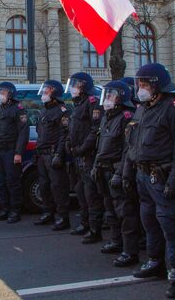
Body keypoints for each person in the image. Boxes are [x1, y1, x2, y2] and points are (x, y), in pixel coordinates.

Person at [122, 63, 175, 299]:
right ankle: (155, 262)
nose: (140, 88)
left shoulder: (174, 109)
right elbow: (132, 144)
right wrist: (127, 172)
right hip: (143, 176)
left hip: (162, 177)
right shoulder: (142, 108)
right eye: (139, 84)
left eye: (144, 84)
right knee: (149, 222)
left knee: (170, 226)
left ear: (156, 85)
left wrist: (174, 183)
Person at [93, 80, 140, 267]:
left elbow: (127, 149)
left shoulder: (126, 117)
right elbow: (101, 145)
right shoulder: (107, 116)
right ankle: (116, 241)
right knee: (110, 209)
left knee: (125, 212)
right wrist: (96, 166)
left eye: (110, 95)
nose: (106, 99)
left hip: (116, 170)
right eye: (106, 95)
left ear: (120, 97)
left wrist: (120, 173)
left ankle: (130, 251)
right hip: (104, 168)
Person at [65, 72, 105, 243]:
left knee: (91, 193)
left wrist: (82, 148)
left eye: (75, 85)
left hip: (87, 155)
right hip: (78, 155)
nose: (72, 88)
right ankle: (85, 223)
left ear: (83, 86)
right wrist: (69, 142)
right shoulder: (78, 104)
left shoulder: (92, 103)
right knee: (81, 191)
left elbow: (95, 129)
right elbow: (73, 129)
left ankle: (95, 229)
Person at [0, 82, 29, 224]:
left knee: (12, 182)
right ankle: (4, 209)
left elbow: (23, 132)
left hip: (11, 151)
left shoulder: (18, 109)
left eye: (3, 92)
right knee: (0, 183)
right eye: (0, 92)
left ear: (10, 94)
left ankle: (15, 211)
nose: (0, 95)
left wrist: (18, 153)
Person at [33, 80, 70, 230]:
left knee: (58, 187)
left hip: (53, 153)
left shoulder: (62, 111)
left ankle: (63, 217)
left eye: (46, 91)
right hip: (42, 154)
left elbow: (64, 134)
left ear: (54, 93)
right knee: (44, 186)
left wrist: (59, 154)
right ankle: (48, 212)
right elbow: (40, 133)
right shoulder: (44, 111)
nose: (43, 94)